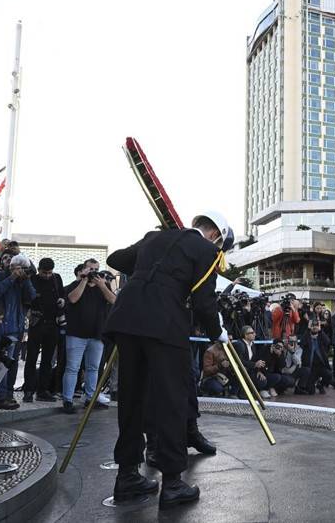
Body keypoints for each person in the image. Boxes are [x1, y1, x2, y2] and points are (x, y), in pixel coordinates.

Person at [104, 212, 230, 510]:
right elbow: (203, 300)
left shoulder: (155, 237)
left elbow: (118, 259)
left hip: (126, 316)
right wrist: (217, 332)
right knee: (172, 400)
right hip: (164, 322)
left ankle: (127, 476)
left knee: (131, 398)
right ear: (215, 235)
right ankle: (172, 482)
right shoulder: (208, 251)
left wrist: (153, 263)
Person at [61, 258, 116, 414]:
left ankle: (91, 399)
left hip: (97, 335)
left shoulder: (102, 286)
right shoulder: (75, 285)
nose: (93, 272)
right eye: (90, 269)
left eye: (96, 269)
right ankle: (68, 400)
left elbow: (114, 300)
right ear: (83, 270)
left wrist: (102, 285)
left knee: (93, 368)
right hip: (76, 334)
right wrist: (84, 280)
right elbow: (72, 298)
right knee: (72, 368)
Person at [0, 252, 37, 410]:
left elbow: (33, 297)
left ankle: (8, 393)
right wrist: (12, 277)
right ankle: (0, 396)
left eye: (24, 268)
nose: (21, 270)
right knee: (1, 362)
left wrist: (27, 280)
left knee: (11, 364)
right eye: (19, 267)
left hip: (16, 328)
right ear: (11, 266)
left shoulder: (23, 281)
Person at [24, 258, 66, 402]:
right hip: (37, 323)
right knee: (31, 358)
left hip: (52, 323)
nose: (47, 275)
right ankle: (28, 390)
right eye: (44, 272)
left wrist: (62, 300)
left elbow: (62, 293)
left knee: (47, 360)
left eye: (49, 273)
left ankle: (43, 390)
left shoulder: (56, 279)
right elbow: (26, 297)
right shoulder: (33, 279)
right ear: (39, 270)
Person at [300, 318, 333, 394]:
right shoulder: (307, 338)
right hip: (310, 368)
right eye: (312, 326)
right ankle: (309, 384)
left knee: (329, 374)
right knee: (311, 392)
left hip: (321, 366)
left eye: (316, 326)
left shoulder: (320, 338)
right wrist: (308, 329)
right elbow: (303, 342)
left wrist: (320, 330)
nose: (314, 327)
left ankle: (320, 384)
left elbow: (327, 342)